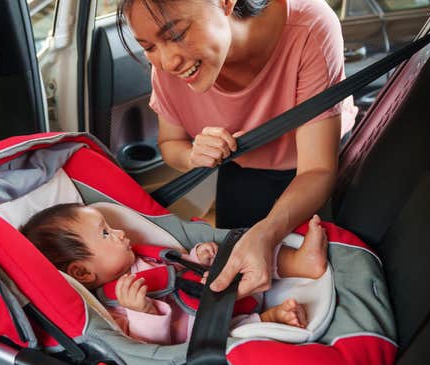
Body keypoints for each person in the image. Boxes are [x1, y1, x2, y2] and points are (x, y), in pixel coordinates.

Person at [115, 0, 355, 299]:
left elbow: (317, 168)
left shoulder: (309, 27)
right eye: (148, 47)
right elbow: (170, 145)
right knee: (234, 275)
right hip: (241, 170)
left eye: (176, 35)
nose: (167, 62)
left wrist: (266, 233)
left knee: (314, 284)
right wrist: (193, 156)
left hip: (313, 171)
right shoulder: (167, 67)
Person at [21, 203, 328, 344]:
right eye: (105, 234)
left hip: (220, 285)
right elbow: (144, 346)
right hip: (207, 328)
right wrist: (143, 312)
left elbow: (177, 270)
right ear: (81, 272)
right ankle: (271, 319)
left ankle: (302, 263)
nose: (119, 232)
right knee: (238, 335)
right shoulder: (112, 305)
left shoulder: (140, 256)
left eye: (110, 226)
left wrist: (195, 257)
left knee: (237, 250)